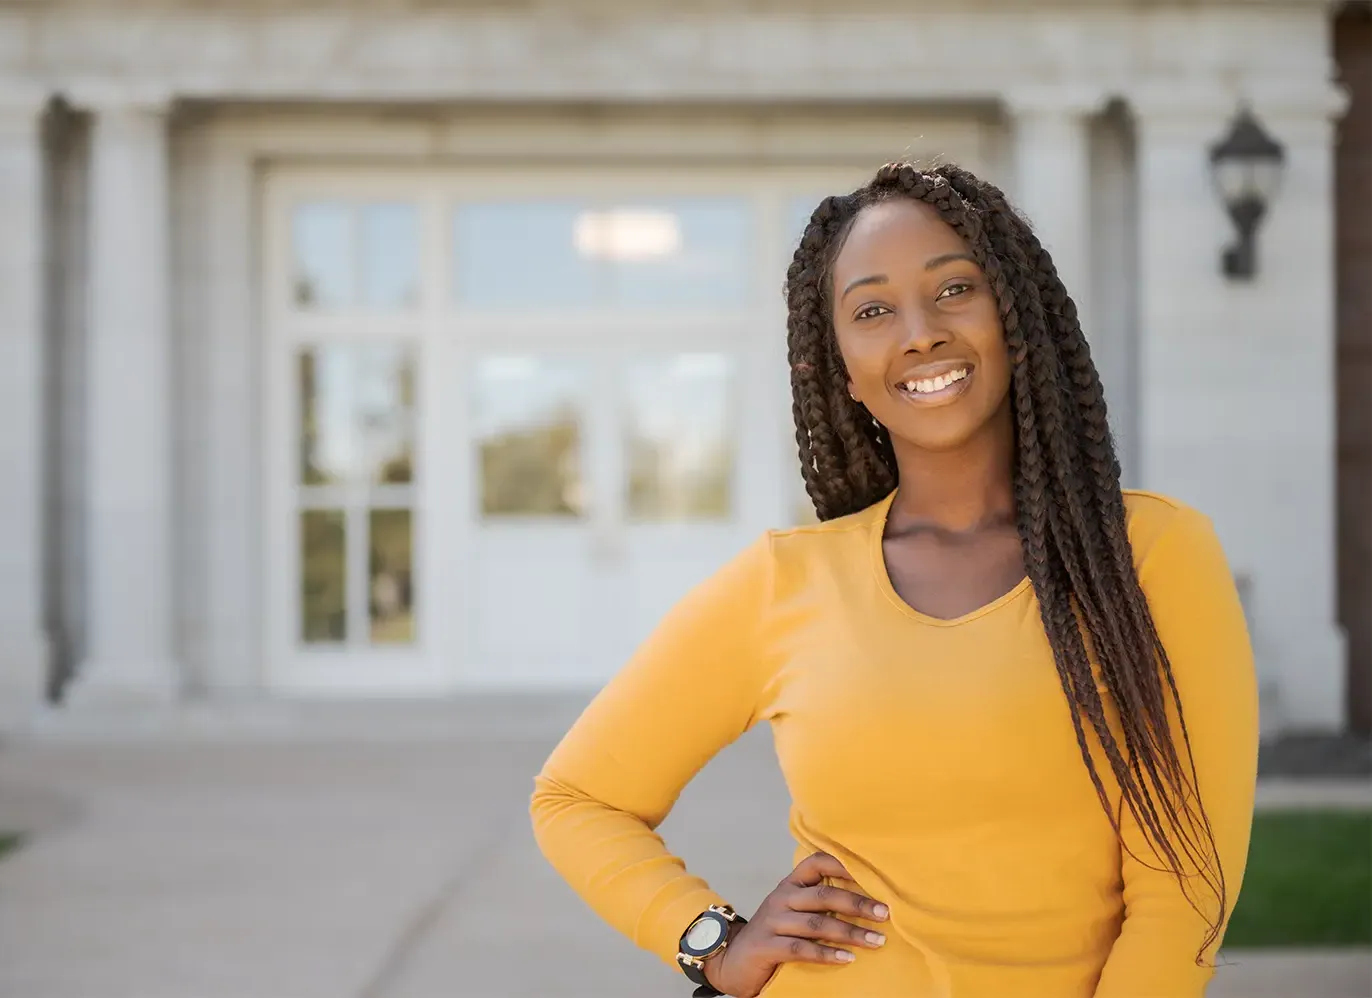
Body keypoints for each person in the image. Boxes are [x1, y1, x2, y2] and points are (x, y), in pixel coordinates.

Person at [529, 162, 1258, 998]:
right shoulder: (785, 582)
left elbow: (1183, 892)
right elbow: (575, 797)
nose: (919, 333)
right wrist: (711, 942)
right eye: (872, 310)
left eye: (954, 290)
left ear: (1015, 318)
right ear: (843, 367)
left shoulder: (1150, 556)